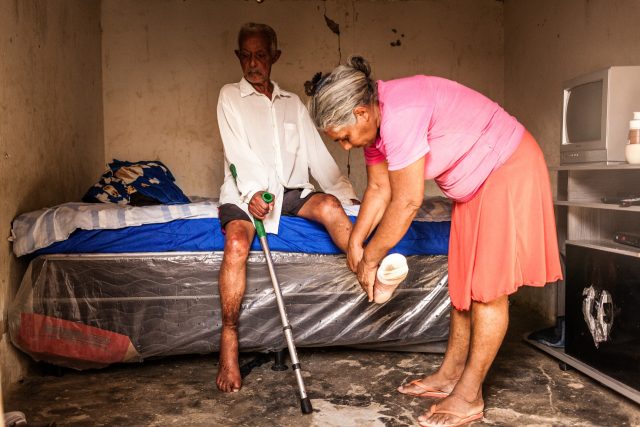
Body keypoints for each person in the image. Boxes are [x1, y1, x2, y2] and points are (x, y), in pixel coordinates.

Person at [305, 57, 562, 426]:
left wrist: (372, 259)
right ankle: (450, 375)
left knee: (487, 291)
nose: (345, 147)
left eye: (343, 137)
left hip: (506, 169)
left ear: (361, 112)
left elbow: (407, 201)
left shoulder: (402, 113)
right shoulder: (374, 128)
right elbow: (378, 189)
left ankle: (469, 396)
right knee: (462, 286)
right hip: (475, 186)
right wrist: (356, 245)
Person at [215, 23, 358, 393]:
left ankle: (369, 270)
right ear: (238, 57)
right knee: (235, 245)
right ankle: (229, 341)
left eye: (260, 55)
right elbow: (237, 152)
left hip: (289, 191)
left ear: (274, 57)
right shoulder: (230, 96)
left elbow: (318, 158)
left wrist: (345, 193)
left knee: (329, 206)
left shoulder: (293, 103)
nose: (252, 63)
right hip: (245, 191)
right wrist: (251, 194)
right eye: (245, 55)